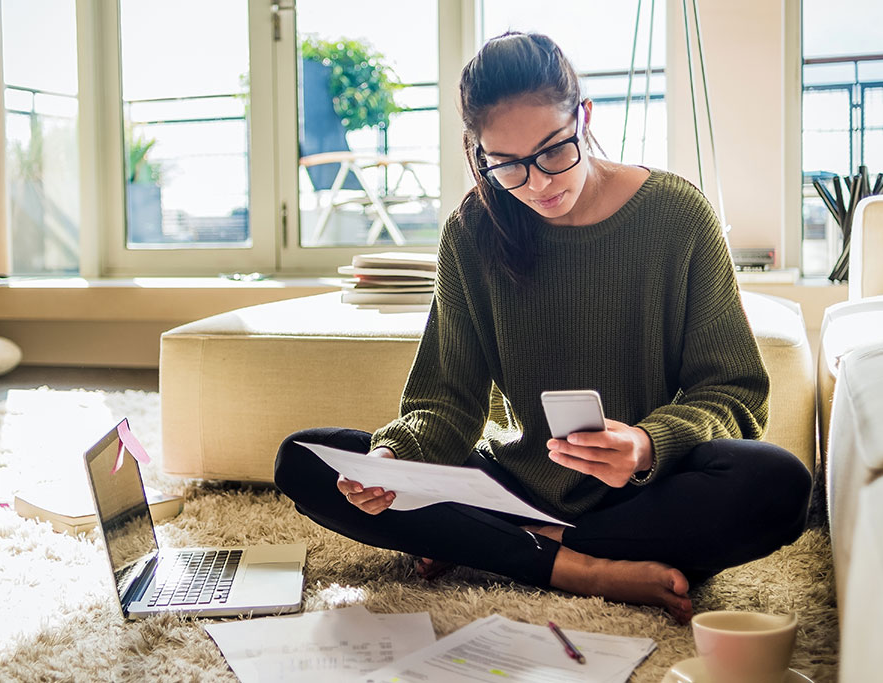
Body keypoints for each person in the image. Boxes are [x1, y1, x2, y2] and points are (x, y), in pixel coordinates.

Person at [274, 31, 812, 624]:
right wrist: (393, 460)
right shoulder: (472, 233)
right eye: (505, 165)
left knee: (778, 483)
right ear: (479, 152)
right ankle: (579, 567)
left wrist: (646, 445)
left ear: (583, 116)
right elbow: (447, 401)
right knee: (304, 459)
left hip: (638, 495)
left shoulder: (678, 216)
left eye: (554, 151)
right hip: (509, 485)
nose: (538, 183)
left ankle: (505, 547)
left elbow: (733, 390)